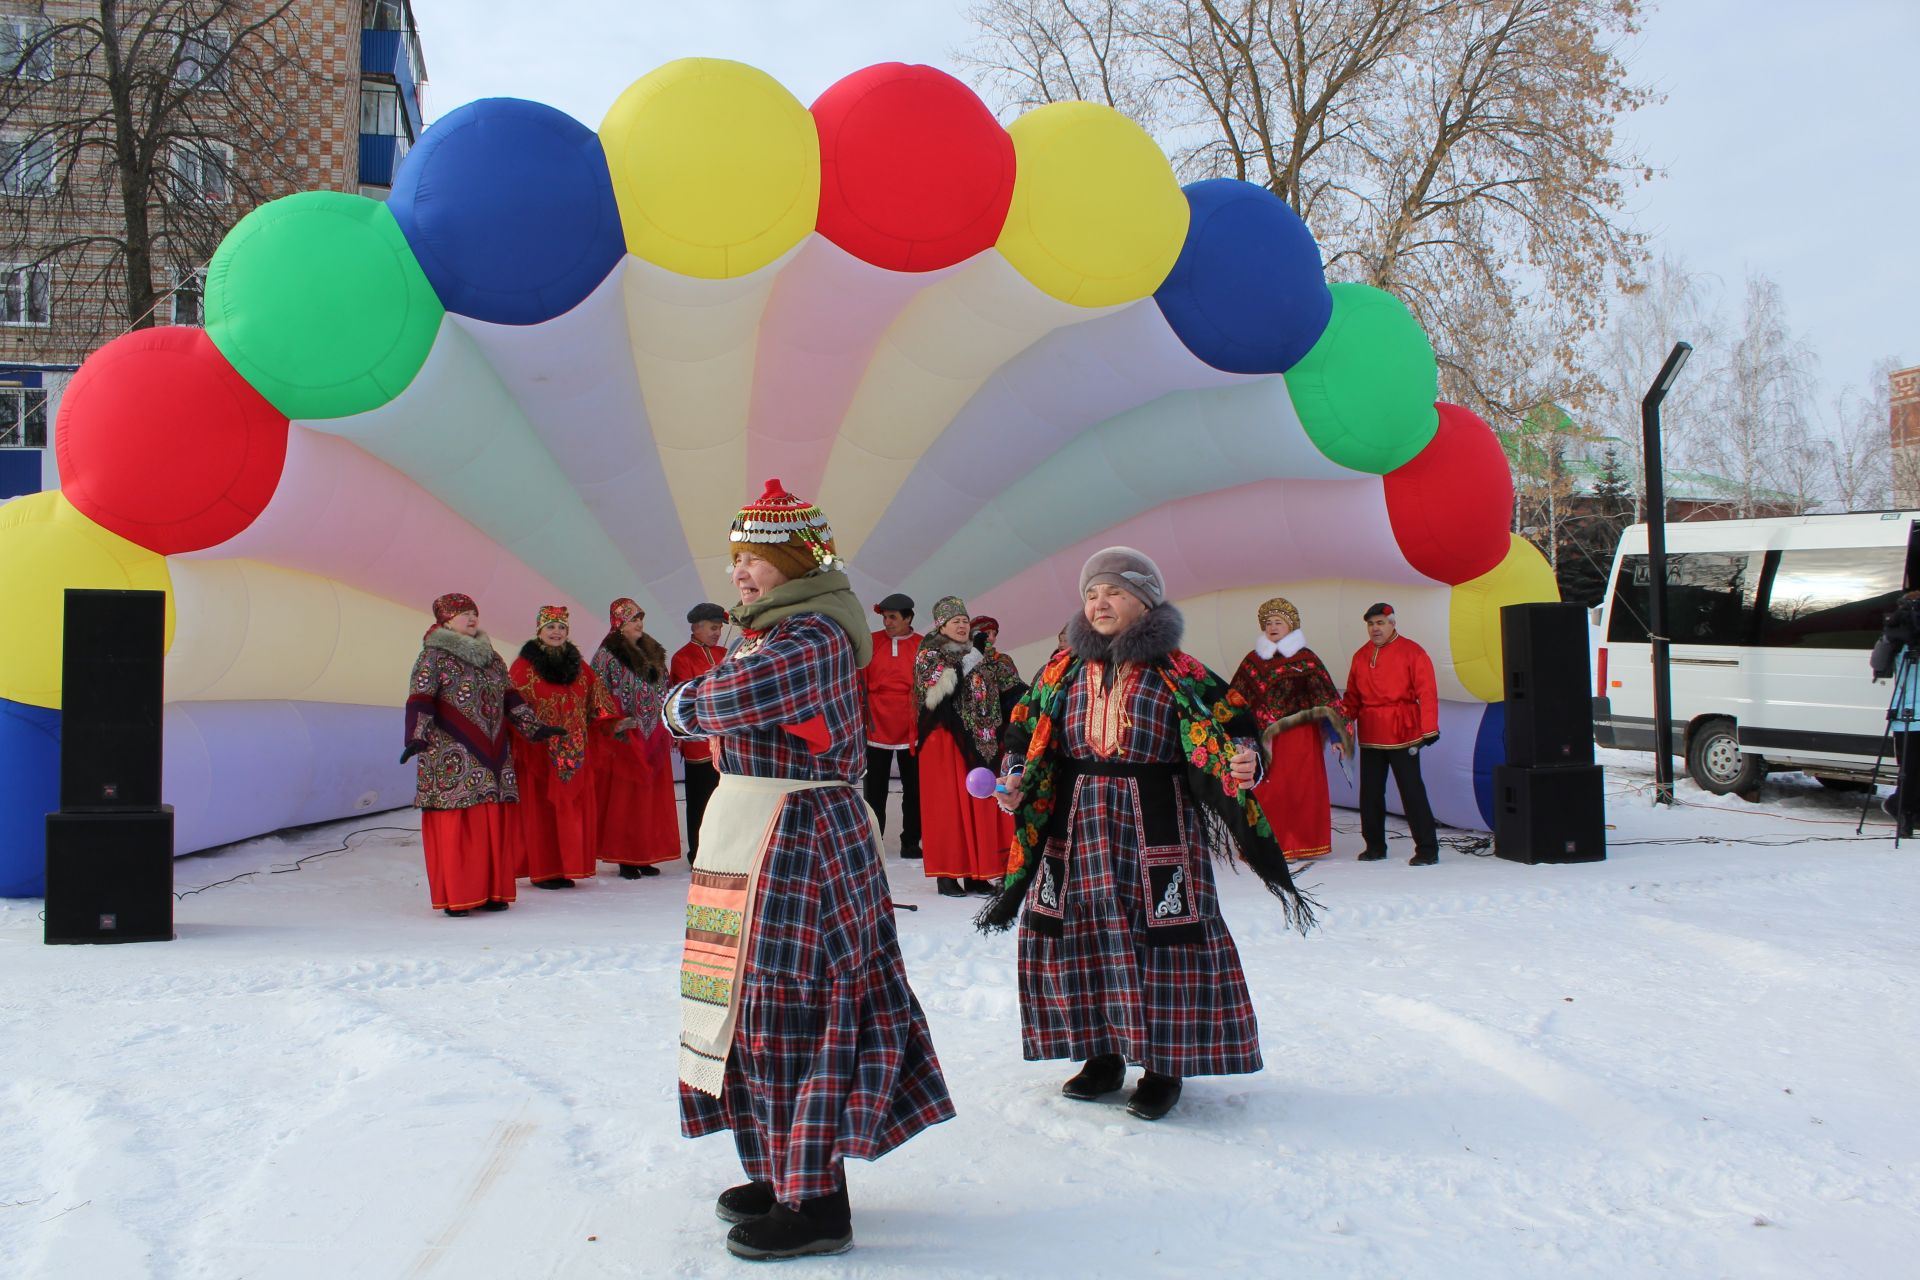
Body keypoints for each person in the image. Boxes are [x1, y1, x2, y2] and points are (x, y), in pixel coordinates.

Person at [661, 479, 953, 1261]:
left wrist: (684, 705)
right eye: (736, 560)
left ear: (796, 560)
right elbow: (719, 695)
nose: (740, 575)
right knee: (743, 1001)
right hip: (755, 831)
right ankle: (781, 1166)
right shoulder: (772, 631)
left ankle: (817, 1198)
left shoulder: (815, 633)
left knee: (790, 1002)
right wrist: (697, 698)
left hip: (799, 838)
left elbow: (723, 700)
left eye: (755, 559)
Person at [981, 547, 1315, 1122]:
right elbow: (1024, 731)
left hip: (1155, 828)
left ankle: (1164, 1065)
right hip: (1076, 828)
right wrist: (1015, 777)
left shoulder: (1179, 672)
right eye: (1091, 594)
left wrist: (1245, 761)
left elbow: (1235, 726)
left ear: (1144, 600)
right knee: (1082, 936)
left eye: (1112, 592)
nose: (1099, 603)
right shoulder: (1060, 669)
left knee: (1159, 940)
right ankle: (1101, 1055)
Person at [402, 593, 556, 916]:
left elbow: (510, 697)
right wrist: (417, 737)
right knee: (460, 824)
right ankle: (460, 896)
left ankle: (492, 892)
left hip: (493, 752)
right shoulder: (433, 657)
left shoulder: (492, 657)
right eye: (463, 614)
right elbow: (421, 699)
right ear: (445, 621)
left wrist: (534, 727)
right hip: (451, 755)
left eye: (474, 613)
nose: (472, 618)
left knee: (492, 820)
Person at [914, 595, 1022, 898]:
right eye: (955, 621)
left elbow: (1011, 687)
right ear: (941, 626)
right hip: (945, 741)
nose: (962, 625)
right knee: (948, 806)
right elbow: (937, 692)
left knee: (981, 804)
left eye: (964, 620)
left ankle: (978, 873)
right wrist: (973, 655)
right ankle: (947, 874)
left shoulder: (985, 654)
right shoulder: (930, 652)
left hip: (984, 738)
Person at [1228, 597, 1350, 861]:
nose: (1273, 626)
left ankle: (1298, 844)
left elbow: (1325, 699)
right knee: (1267, 788)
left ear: (1290, 626)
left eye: (1278, 622)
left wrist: (1336, 734)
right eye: (1269, 622)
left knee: (1299, 790)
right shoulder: (1253, 661)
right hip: (1265, 740)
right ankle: (1269, 843)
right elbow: (1235, 698)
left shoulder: (1307, 660)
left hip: (1300, 739)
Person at [510, 605, 620, 889]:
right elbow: (513, 704)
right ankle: (545, 871)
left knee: (572, 809)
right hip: (539, 749)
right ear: (539, 631)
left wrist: (611, 721)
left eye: (561, 627)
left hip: (575, 747)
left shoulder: (579, 666)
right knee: (543, 810)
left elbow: (598, 697)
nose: (556, 632)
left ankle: (569, 867)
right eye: (550, 627)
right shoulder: (524, 667)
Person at [1340, 601, 1441, 866]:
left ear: (1392, 623)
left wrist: (1429, 728)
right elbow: (1352, 698)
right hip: (1372, 730)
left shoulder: (1413, 652)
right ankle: (1374, 846)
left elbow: (1427, 692)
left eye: (1380, 623)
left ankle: (1427, 849)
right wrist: (1338, 723)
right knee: (1370, 793)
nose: (1375, 628)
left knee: (1411, 791)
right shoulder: (1360, 656)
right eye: (1371, 624)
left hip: (1403, 730)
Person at [591, 598, 680, 878]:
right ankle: (625, 856)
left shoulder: (652, 652)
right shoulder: (607, 655)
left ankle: (644, 854)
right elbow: (597, 693)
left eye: (640, 618)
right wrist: (615, 723)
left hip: (653, 731)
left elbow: (665, 687)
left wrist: (669, 722)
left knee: (650, 797)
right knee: (626, 799)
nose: (639, 624)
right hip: (626, 735)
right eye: (632, 619)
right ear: (618, 623)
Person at [863, 592, 922, 860]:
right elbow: (858, 680)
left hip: (912, 724)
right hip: (877, 720)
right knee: (874, 788)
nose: (887, 622)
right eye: (885, 617)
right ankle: (873, 840)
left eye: (893, 617)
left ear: (908, 618)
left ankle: (911, 841)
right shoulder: (871, 642)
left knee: (914, 787)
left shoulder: (922, 645)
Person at [669, 603, 729, 863]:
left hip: (726, 738)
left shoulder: (725, 652)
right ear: (697, 627)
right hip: (699, 742)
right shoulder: (682, 657)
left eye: (719, 628)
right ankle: (699, 853)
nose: (717, 633)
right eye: (713, 628)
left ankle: (723, 851)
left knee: (725, 799)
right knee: (699, 800)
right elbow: (687, 695)